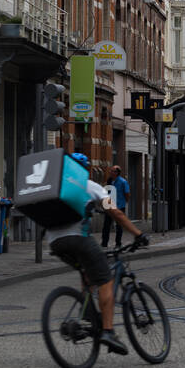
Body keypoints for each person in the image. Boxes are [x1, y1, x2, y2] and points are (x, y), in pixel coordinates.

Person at [47, 152, 148, 356]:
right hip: (78, 239)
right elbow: (116, 213)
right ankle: (108, 332)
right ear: (85, 169)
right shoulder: (89, 186)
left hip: (55, 243)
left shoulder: (58, 185)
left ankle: (87, 320)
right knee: (105, 280)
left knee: (87, 275)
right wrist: (138, 234)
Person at [100, 165, 131, 248]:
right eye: (110, 171)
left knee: (119, 226)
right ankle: (104, 243)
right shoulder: (109, 181)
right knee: (106, 225)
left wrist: (124, 202)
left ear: (117, 173)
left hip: (119, 206)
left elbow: (127, 194)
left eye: (112, 171)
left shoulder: (123, 182)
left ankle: (118, 243)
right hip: (109, 206)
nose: (110, 172)